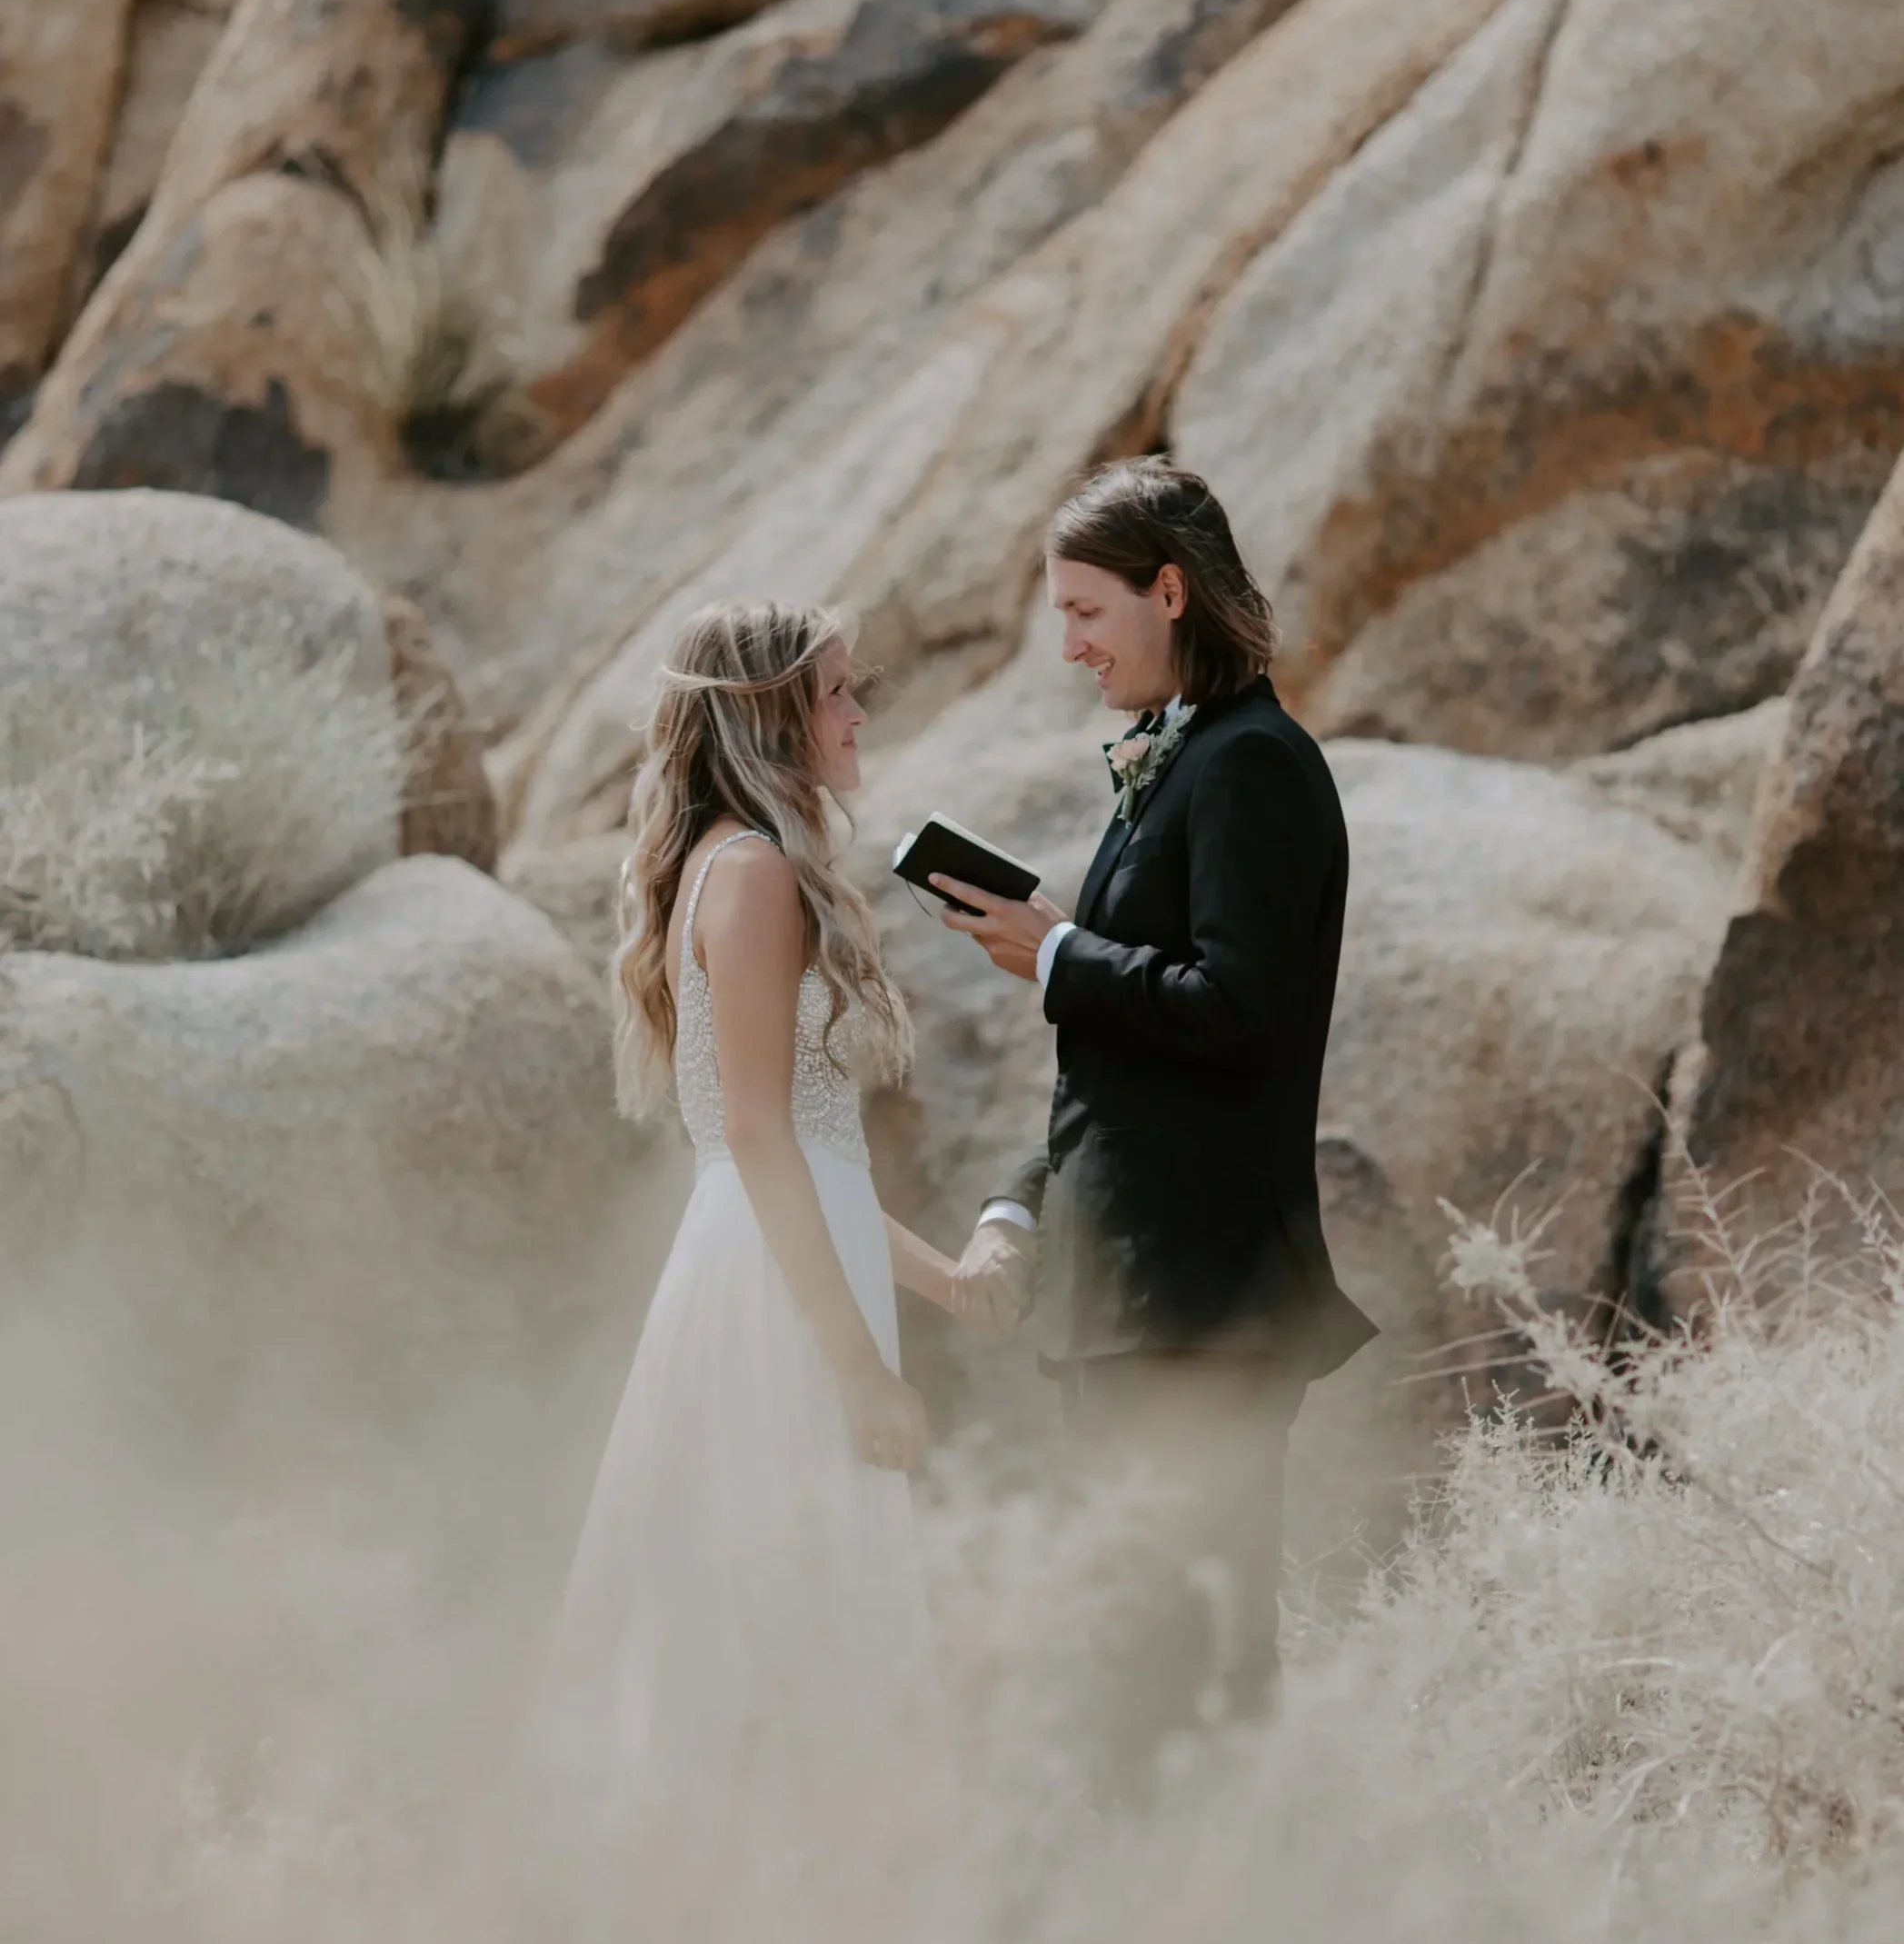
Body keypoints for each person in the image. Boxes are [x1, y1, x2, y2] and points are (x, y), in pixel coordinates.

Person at [931, 460, 1375, 1778]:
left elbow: (1242, 1007)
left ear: (1166, 591)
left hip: (1196, 1307)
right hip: (1128, 1301)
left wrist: (1061, 953)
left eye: (1083, 610)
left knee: (1195, 1671)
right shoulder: (1189, 756)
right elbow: (1120, 1071)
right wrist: (1017, 1200)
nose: (1066, 645)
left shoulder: (1254, 767)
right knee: (1130, 1664)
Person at [527, 601, 960, 1865]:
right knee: (788, 1614)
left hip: (764, 1253)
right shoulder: (757, 872)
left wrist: (946, 1284)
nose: (859, 711)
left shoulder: (727, 862)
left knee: (748, 1614)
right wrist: (861, 1372)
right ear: (770, 713)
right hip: (777, 1291)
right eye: (837, 690)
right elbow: (769, 1140)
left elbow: (806, 1161)